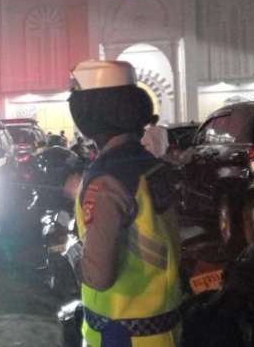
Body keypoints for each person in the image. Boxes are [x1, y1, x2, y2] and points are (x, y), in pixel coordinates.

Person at [66, 60, 182, 346]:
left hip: (120, 336)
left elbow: (98, 277)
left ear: (91, 113)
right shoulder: (151, 166)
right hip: (166, 330)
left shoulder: (106, 182)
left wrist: (72, 250)